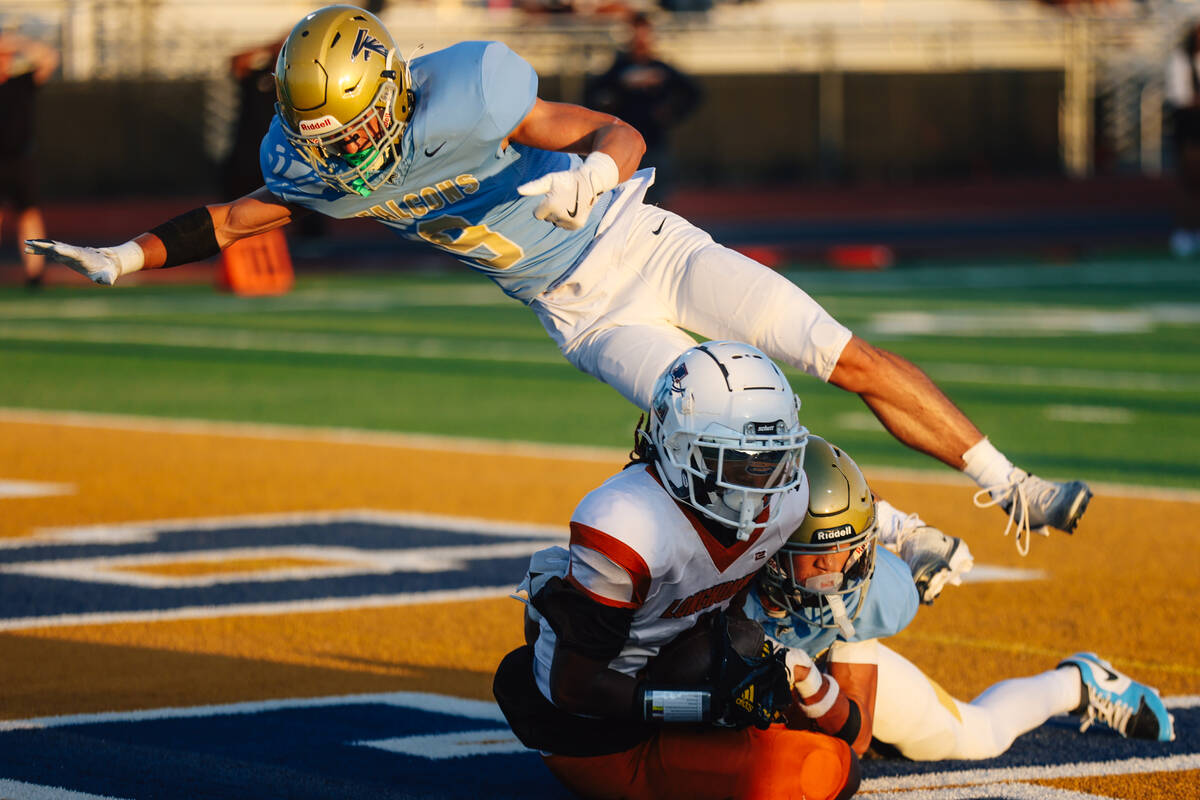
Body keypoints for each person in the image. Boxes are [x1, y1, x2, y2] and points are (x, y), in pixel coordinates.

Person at [26, 4, 1091, 554]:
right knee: (740, 434)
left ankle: (1013, 484)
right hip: (582, 313)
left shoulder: (470, 92)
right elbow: (228, 217)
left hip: (645, 241)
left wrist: (591, 174)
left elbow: (614, 127)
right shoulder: (318, 167)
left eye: (351, 128)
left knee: (831, 352)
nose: (341, 153)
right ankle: (896, 527)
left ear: (391, 90)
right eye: (322, 136)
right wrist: (125, 255)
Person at [492, 341, 859, 800]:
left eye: (770, 459)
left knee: (822, 726)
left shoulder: (787, 500)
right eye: (737, 461)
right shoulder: (629, 521)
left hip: (675, 665)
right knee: (820, 771)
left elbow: (726, 608)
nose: (759, 484)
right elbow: (573, 689)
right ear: (677, 446)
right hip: (598, 729)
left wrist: (752, 670)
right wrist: (704, 708)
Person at [744, 435, 1176, 761]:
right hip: (779, 640)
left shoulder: (862, 596)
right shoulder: (725, 575)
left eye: (847, 552)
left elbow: (851, 739)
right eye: (818, 556)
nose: (836, 572)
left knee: (976, 735)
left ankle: (1076, 684)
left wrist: (810, 684)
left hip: (826, 650)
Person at [584, 12, 702, 206]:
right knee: (621, 198)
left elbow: (694, 93)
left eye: (645, 34)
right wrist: (611, 107)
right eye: (636, 33)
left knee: (657, 200)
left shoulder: (661, 68)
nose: (641, 39)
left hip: (655, 141)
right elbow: (592, 94)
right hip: (625, 142)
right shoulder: (618, 70)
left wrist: (671, 112)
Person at [0, 30, 58, 287]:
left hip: (20, 160)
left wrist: (18, 42)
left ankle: (35, 275)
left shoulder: (21, 83)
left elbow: (49, 58)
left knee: (29, 215)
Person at [1165, 20, 1200, 257]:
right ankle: (1187, 231)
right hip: (1191, 125)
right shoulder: (1181, 59)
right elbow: (1184, 99)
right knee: (1191, 181)